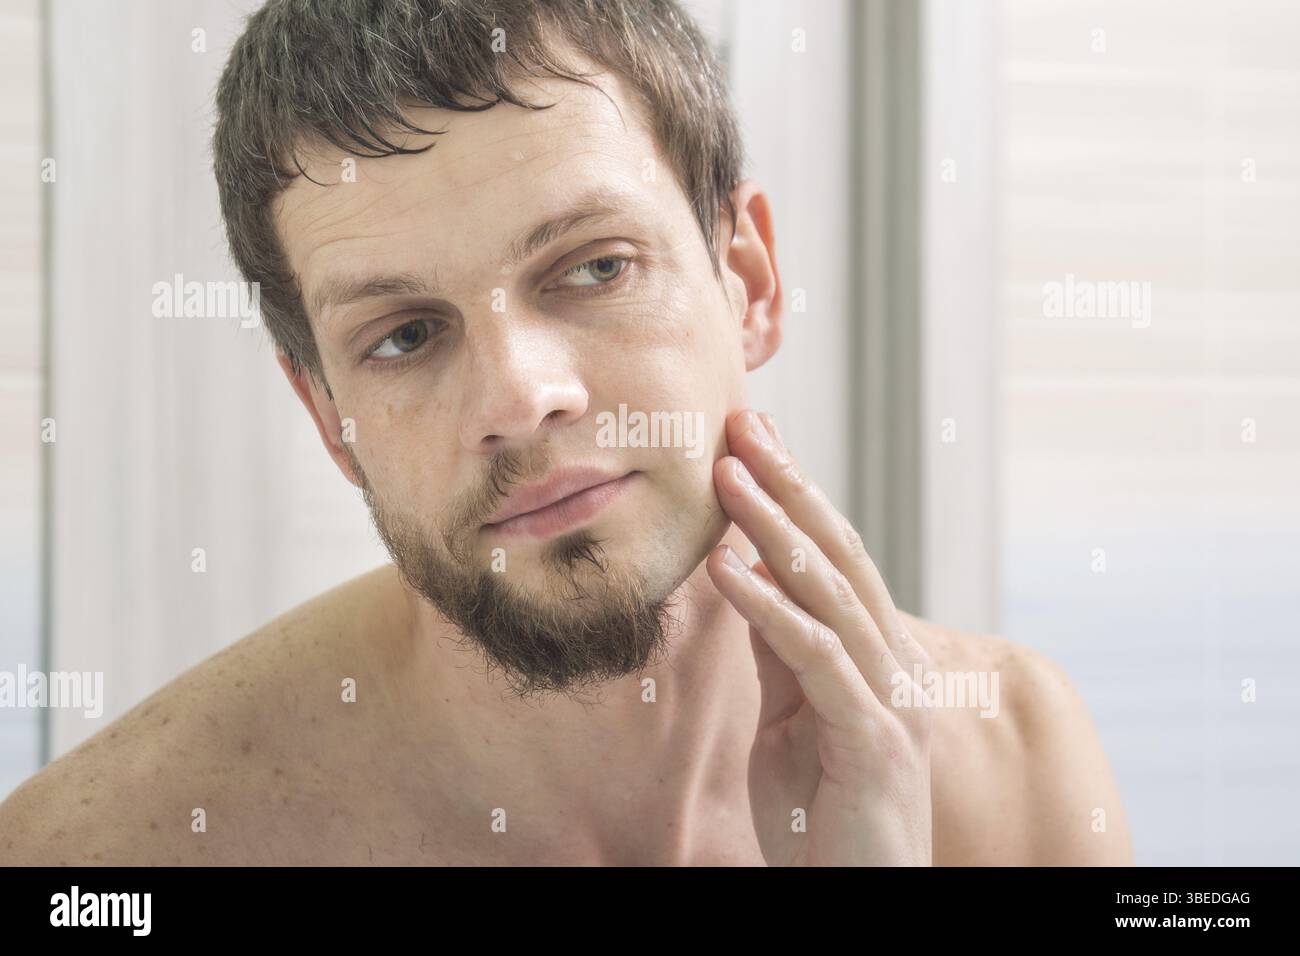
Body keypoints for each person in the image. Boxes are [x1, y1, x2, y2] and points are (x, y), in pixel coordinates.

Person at [0, 0, 1132, 866]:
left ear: (747, 280)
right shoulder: (114, 853)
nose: (517, 396)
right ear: (328, 418)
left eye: (593, 267)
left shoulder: (1013, 767)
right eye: (404, 335)